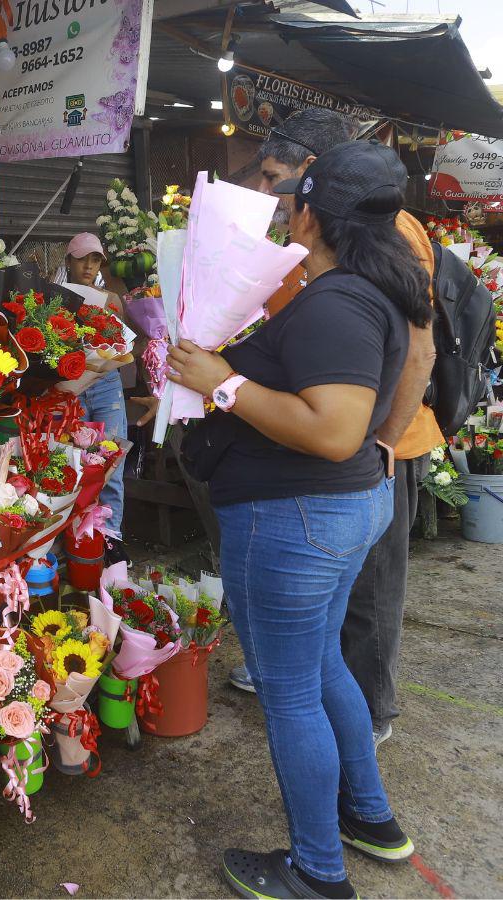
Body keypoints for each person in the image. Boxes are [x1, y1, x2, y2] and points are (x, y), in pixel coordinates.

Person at [170, 141, 426, 899]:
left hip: (295, 521)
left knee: (288, 692)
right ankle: (369, 818)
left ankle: (317, 871)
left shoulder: (338, 300)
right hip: (335, 512)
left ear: (309, 216)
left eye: (288, 206)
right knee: (321, 668)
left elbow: (332, 428)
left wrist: (222, 385)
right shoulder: (370, 288)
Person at [227, 111, 441, 752]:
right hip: (316, 437)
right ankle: (304, 675)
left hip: (370, 444)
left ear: (315, 174)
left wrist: (380, 438)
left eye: (274, 177)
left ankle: (369, 714)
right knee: (319, 609)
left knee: (368, 596)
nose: (269, 192)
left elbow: (419, 351)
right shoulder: (312, 235)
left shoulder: (384, 230)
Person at [60, 232, 136, 546]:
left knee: (112, 462)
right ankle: (79, 540)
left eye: (95, 260)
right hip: (72, 384)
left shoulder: (112, 301)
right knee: (75, 463)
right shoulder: (57, 298)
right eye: (82, 258)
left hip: (106, 385)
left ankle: (111, 541)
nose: (88, 266)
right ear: (68, 261)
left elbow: (127, 341)